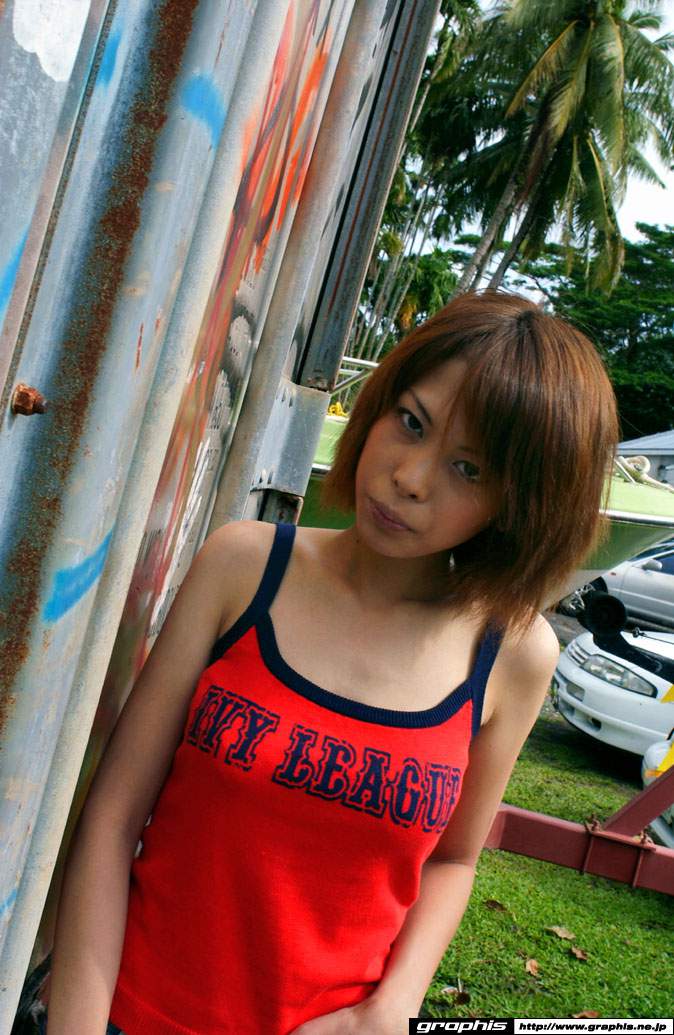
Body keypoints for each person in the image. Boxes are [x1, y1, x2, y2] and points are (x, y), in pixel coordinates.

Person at [45, 290, 619, 1035]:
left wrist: (389, 1009)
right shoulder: (244, 567)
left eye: (468, 469)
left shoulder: (510, 654)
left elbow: (452, 860)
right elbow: (114, 815)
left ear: (519, 504)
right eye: (411, 422)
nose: (411, 477)